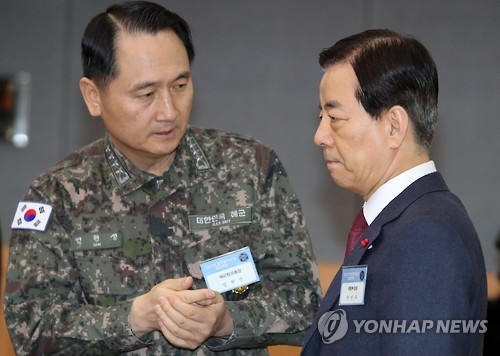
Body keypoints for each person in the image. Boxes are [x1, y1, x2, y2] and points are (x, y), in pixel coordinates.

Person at [4, 1, 322, 354]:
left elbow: (306, 303)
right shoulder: (55, 196)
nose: (169, 111)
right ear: (93, 96)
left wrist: (227, 321)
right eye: (146, 93)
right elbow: (31, 333)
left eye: (180, 85)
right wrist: (133, 318)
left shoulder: (250, 167)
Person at [301, 29, 487, 355]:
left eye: (334, 117)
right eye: (320, 117)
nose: (320, 136)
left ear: (394, 126)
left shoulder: (427, 236)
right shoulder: (398, 223)